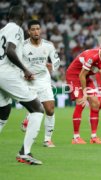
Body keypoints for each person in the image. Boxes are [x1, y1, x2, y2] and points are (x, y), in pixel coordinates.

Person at [0, 5, 44, 165]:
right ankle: (24, 153)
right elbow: (10, 51)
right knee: (37, 109)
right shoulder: (16, 29)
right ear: (23, 16)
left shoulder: (2, 30)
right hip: (7, 75)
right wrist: (24, 69)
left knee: (3, 112)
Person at [66, 39, 101, 144]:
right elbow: (81, 75)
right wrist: (85, 94)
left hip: (86, 77)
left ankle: (93, 137)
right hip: (74, 76)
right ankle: (75, 137)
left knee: (95, 103)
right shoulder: (93, 56)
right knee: (81, 103)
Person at [20, 19, 60, 148]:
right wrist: (23, 73)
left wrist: (52, 67)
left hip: (43, 80)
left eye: (38, 29)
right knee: (37, 109)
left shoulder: (48, 45)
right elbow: (15, 63)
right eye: (33, 29)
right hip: (28, 82)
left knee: (50, 109)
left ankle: (47, 139)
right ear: (29, 32)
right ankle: (28, 118)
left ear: (41, 30)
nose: (36, 31)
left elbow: (57, 61)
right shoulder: (23, 46)